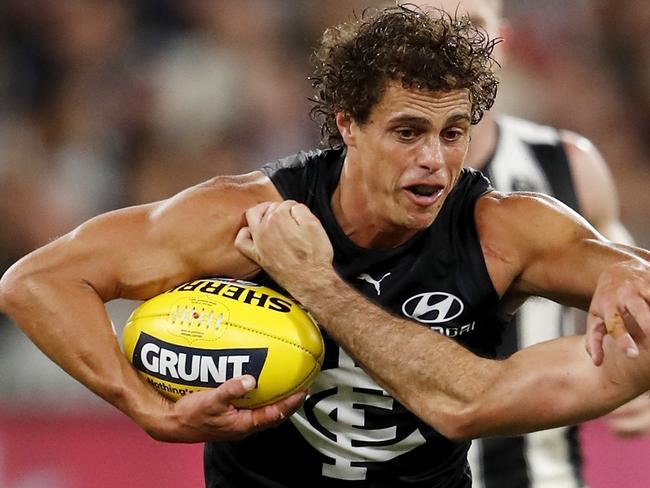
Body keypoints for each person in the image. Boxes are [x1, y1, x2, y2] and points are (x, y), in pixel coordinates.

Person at [0, 5, 649, 488]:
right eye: (407, 131)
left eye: (454, 133)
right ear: (348, 125)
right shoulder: (249, 213)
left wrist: (625, 270)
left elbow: (469, 400)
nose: (434, 160)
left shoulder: (502, 228)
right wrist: (143, 407)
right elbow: (35, 283)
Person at [408, 1, 650, 487]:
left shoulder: (567, 165)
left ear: (504, 43)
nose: (447, 45)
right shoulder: (343, 182)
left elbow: (631, 294)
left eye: (470, 27)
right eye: (422, 29)